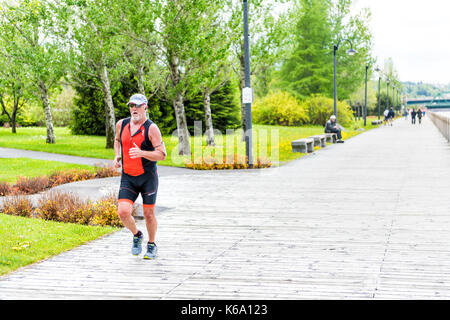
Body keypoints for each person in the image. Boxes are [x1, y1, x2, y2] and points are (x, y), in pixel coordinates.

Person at [113, 93, 167, 260]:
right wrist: (117, 155)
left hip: (147, 177)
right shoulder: (121, 124)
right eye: (131, 106)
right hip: (128, 176)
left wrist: (142, 153)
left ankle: (151, 244)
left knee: (149, 214)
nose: (134, 109)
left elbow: (162, 154)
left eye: (137, 105)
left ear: (145, 107)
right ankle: (137, 235)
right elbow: (117, 141)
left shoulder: (152, 128)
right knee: (123, 212)